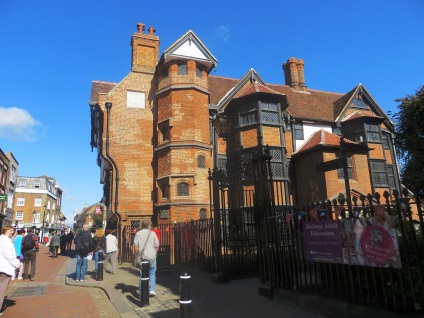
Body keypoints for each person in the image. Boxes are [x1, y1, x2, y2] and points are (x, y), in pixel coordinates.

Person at [133, 218, 159, 296]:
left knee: (143, 274)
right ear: (149, 225)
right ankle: (152, 290)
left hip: (143, 257)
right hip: (152, 256)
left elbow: (136, 247)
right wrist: (154, 253)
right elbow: (157, 245)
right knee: (152, 272)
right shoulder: (153, 233)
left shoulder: (138, 234)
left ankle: (142, 290)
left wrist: (136, 255)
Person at [0, 226, 21, 315]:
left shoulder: (4, 239)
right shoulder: (5, 241)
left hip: (3, 267)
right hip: (5, 268)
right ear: (5, 230)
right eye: (10, 230)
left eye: (13, 230)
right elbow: (8, 255)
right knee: (2, 289)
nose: (12, 232)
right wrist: (17, 264)